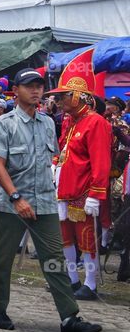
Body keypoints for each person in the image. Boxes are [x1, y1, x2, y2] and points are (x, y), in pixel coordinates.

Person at [0, 68, 102, 332]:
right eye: (29, 86)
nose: (36, 90)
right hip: (11, 205)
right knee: (2, 260)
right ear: (16, 91)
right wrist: (16, 197)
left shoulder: (49, 123)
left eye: (39, 86)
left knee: (55, 260)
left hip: (46, 204)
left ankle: (69, 318)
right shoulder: (4, 124)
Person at [50, 51, 111, 301]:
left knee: (86, 239)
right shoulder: (72, 122)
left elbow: (101, 162)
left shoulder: (95, 122)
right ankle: (72, 279)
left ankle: (90, 283)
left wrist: (96, 194)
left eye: (65, 96)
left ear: (79, 96)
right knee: (66, 236)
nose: (61, 101)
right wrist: (54, 166)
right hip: (65, 188)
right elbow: (63, 150)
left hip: (84, 191)